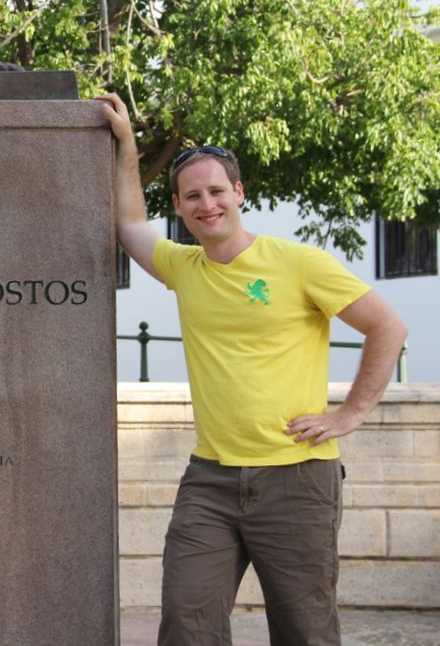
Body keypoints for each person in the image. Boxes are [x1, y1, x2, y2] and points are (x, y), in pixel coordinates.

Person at [96, 93, 407, 645]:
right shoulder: (182, 267)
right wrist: (125, 143)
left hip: (296, 478)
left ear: (238, 193)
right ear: (179, 205)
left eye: (217, 191)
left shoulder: (299, 263)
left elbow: (388, 326)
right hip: (210, 480)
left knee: (305, 630)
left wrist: (351, 413)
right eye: (193, 196)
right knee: (186, 622)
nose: (207, 204)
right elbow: (128, 223)